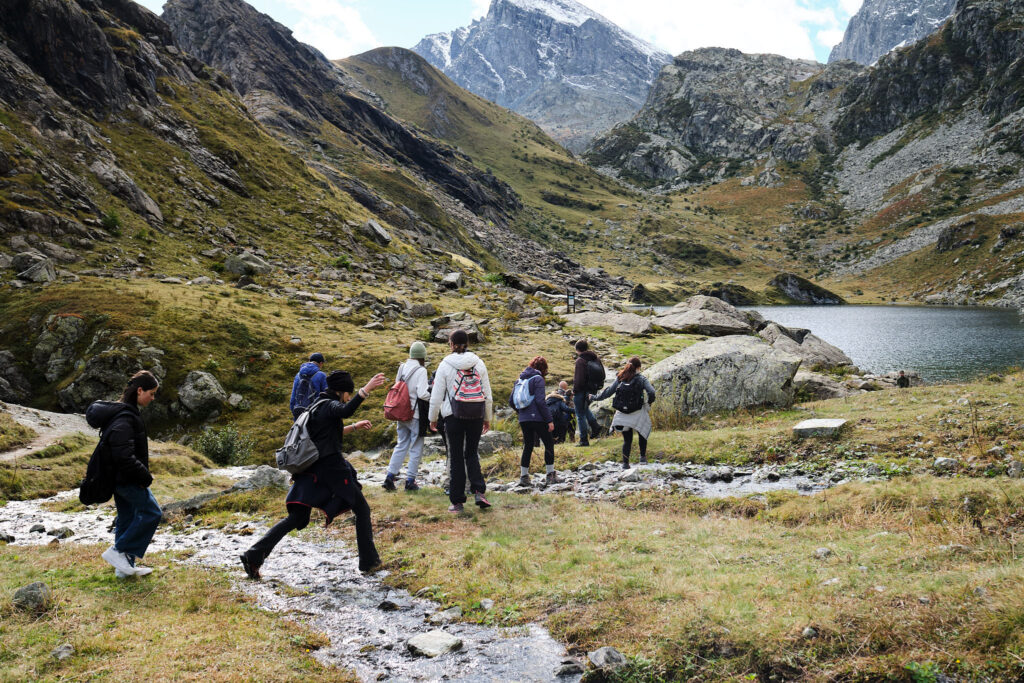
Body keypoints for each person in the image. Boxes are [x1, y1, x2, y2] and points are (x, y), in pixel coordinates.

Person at [241, 369, 387, 579]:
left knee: (297, 516)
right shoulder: (329, 404)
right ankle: (369, 562)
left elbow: (325, 433)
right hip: (331, 469)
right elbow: (345, 410)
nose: (348, 396)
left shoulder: (317, 405)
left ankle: (253, 555)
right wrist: (366, 390)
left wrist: (354, 427)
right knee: (362, 509)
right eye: (348, 393)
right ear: (342, 392)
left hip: (312, 470)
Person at [92, 370, 162, 579]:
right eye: (151, 393)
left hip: (119, 479)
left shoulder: (124, 413)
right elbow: (122, 455)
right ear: (140, 390)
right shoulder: (125, 417)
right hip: (127, 479)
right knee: (152, 513)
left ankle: (123, 569)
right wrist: (144, 476)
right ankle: (117, 552)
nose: (152, 397)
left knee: (127, 517)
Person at [428, 329, 493, 513]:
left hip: (452, 416)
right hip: (475, 413)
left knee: (456, 457)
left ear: (451, 344)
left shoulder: (445, 365)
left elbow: (436, 397)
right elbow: (487, 395)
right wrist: (487, 418)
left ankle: (457, 502)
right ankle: (479, 491)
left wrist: (433, 418)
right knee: (472, 453)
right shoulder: (479, 363)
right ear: (468, 343)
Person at [590, 357, 656, 469]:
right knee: (642, 433)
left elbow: (608, 392)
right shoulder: (641, 378)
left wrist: (595, 397)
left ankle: (625, 464)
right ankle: (643, 458)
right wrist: (649, 402)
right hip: (637, 411)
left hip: (622, 413)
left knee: (627, 439)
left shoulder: (621, 377)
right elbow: (651, 392)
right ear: (638, 367)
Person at [383, 342, 431, 492]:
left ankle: (389, 477)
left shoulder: (402, 367)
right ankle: (410, 481)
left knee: (401, 444)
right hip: (415, 414)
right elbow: (422, 393)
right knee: (416, 447)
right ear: (422, 356)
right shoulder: (421, 370)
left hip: (401, 413)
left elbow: (398, 386)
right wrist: (434, 397)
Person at [510, 356, 562, 488]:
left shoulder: (519, 380)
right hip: (537, 418)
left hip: (524, 419)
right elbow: (540, 401)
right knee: (549, 443)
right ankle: (550, 475)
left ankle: (524, 477)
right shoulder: (538, 379)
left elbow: (511, 401)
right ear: (543, 369)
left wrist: (521, 412)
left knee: (528, 445)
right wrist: (549, 420)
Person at [572, 339, 603, 446]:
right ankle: (595, 427)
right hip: (592, 390)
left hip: (581, 391)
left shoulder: (580, 361)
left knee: (580, 415)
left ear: (577, 349)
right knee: (585, 409)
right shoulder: (596, 358)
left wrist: (574, 391)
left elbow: (579, 379)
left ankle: (583, 440)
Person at [290, 352, 328, 418]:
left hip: (299, 412)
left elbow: (293, 396)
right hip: (315, 412)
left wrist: (294, 412)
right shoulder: (321, 375)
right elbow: (326, 395)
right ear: (321, 363)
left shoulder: (298, 375)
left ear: (309, 361)